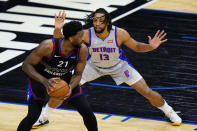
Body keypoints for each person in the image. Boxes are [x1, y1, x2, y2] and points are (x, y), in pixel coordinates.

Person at [33, 9, 182, 128]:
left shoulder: (119, 33)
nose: (97, 23)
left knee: (147, 92)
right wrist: (58, 29)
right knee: (63, 89)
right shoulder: (86, 34)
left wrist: (150, 46)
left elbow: (136, 46)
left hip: (119, 66)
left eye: (101, 20)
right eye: (95, 20)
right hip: (93, 66)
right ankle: (43, 117)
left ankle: (169, 112)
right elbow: (61, 43)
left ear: (107, 22)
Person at [17, 20, 98, 131]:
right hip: (39, 80)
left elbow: (78, 74)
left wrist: (70, 87)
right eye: (80, 37)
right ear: (71, 38)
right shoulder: (47, 46)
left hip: (65, 79)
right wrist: (45, 81)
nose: (83, 39)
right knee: (32, 116)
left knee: (87, 111)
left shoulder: (82, 50)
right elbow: (26, 65)